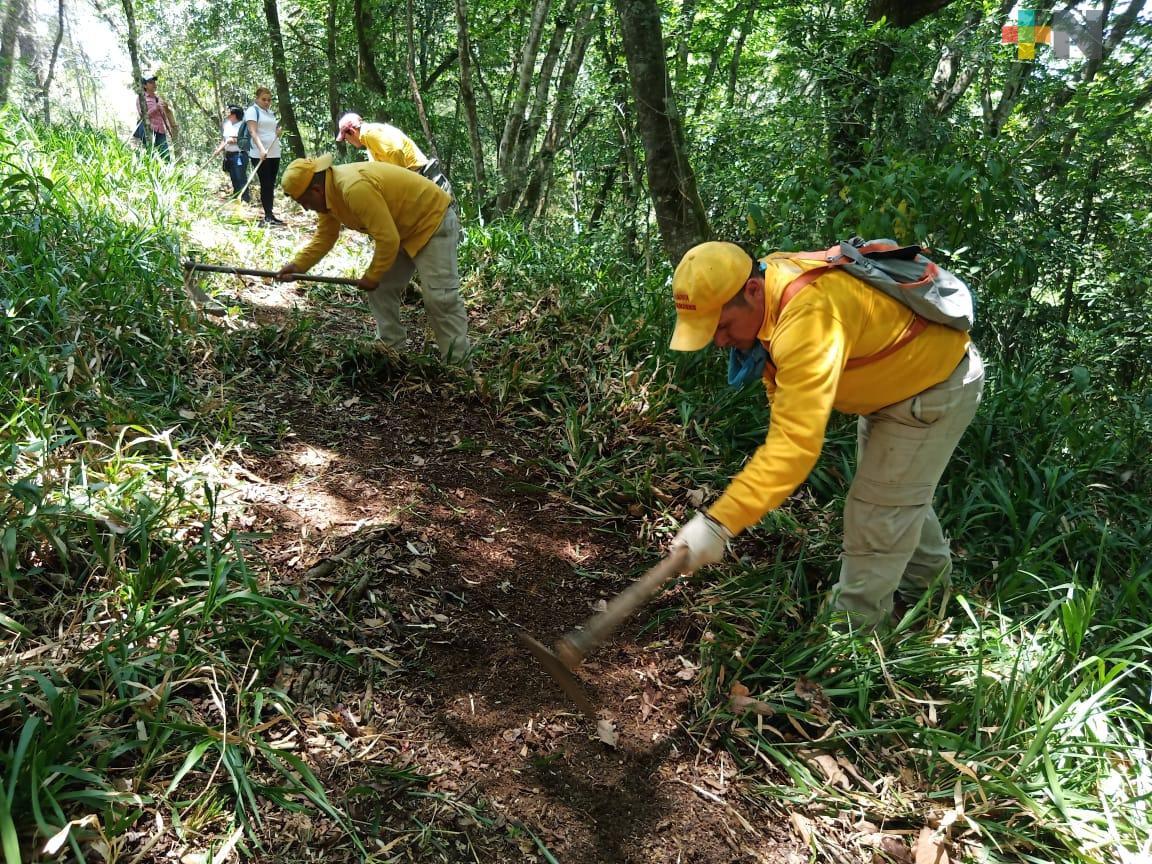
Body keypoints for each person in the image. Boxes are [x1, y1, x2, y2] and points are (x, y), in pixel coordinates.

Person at [667, 241, 985, 631]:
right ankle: (931, 599)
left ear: (751, 290)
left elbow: (794, 448)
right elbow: (781, 382)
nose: (719, 342)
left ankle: (853, 636)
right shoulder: (771, 281)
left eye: (722, 326)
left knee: (876, 514)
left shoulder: (808, 316)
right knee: (895, 499)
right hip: (894, 385)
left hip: (932, 387)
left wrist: (720, 522)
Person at [274, 155, 470, 363]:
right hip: (400, 230)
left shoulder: (353, 188)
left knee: (441, 298)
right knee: (381, 288)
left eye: (305, 202)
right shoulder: (328, 197)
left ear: (316, 190)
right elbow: (325, 236)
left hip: (432, 222)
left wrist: (372, 275)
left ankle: (458, 366)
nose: (306, 208)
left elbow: (388, 240)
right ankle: (390, 350)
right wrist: (298, 266)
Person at [335, 112, 453, 199]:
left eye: (346, 138)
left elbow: (395, 151)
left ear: (352, 132)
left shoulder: (369, 134)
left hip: (422, 176)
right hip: (419, 178)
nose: (347, 142)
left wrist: (400, 183)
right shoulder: (368, 139)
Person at [244, 87, 284, 225]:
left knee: (271, 183)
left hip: (274, 151)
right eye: (264, 99)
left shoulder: (270, 113)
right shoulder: (252, 111)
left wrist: (278, 133)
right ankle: (267, 215)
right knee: (265, 183)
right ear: (257, 99)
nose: (267, 102)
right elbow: (253, 131)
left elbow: (271, 131)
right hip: (260, 153)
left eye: (269, 100)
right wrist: (261, 149)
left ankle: (270, 214)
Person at [212, 106, 251, 202]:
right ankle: (236, 197)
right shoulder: (227, 124)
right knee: (234, 177)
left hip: (239, 155)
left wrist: (234, 140)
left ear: (234, 114)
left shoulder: (243, 126)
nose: (227, 113)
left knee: (240, 177)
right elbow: (225, 139)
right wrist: (218, 150)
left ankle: (244, 198)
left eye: (229, 112)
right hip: (229, 155)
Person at [137, 74, 177, 160]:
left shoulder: (158, 98)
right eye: (151, 82)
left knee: (166, 157)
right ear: (145, 86)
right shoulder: (141, 98)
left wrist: (169, 128)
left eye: (154, 82)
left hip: (161, 131)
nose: (154, 84)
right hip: (148, 130)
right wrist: (156, 107)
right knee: (150, 156)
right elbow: (142, 116)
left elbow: (163, 116)